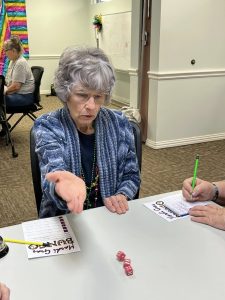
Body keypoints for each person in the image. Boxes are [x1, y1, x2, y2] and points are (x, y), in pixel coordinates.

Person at [34, 46, 141, 218]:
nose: (91, 106)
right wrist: (62, 187)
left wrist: (122, 194)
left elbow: (131, 173)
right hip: (66, 221)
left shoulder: (119, 123)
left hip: (110, 216)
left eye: (98, 96)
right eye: (82, 95)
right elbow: (52, 173)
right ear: (66, 92)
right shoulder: (48, 126)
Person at [0, 35, 35, 136]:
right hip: (17, 94)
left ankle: (4, 125)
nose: (5, 53)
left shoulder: (20, 63)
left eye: (6, 50)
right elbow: (10, 82)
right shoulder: (13, 61)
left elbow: (16, 87)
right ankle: (5, 124)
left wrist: (4, 91)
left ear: (14, 50)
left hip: (24, 97)